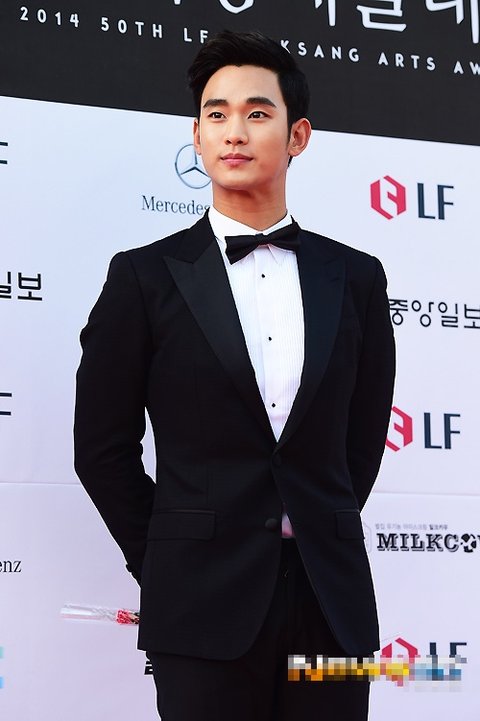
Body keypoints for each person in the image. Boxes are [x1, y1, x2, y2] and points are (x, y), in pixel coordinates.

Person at [74, 30, 395, 721]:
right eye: (216, 115)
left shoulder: (357, 278)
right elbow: (100, 448)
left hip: (330, 603)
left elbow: (361, 442)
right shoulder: (144, 277)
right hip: (197, 601)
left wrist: (318, 526)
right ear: (196, 136)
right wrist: (165, 559)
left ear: (297, 135)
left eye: (256, 113)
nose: (234, 132)